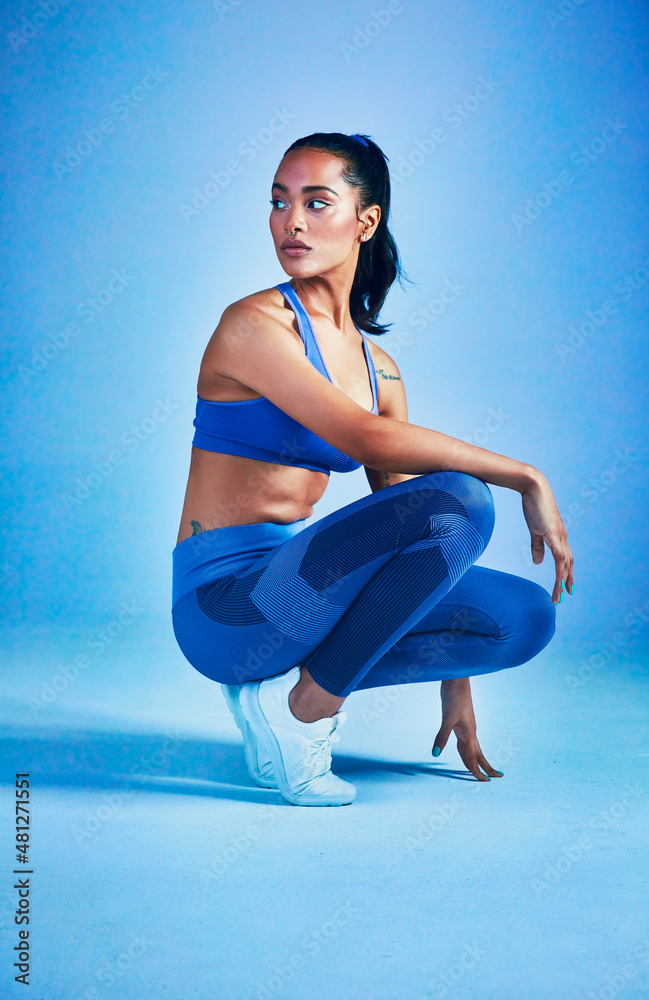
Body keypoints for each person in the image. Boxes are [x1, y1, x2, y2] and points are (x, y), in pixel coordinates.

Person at [171, 131, 573, 808]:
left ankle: (283, 696)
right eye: (278, 201)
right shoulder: (251, 326)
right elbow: (367, 439)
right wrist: (525, 474)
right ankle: (303, 712)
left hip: (307, 595)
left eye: (316, 202)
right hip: (227, 608)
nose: (290, 221)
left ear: (366, 220)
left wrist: (457, 686)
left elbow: (420, 533)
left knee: (521, 619)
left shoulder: (378, 369)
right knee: (466, 498)